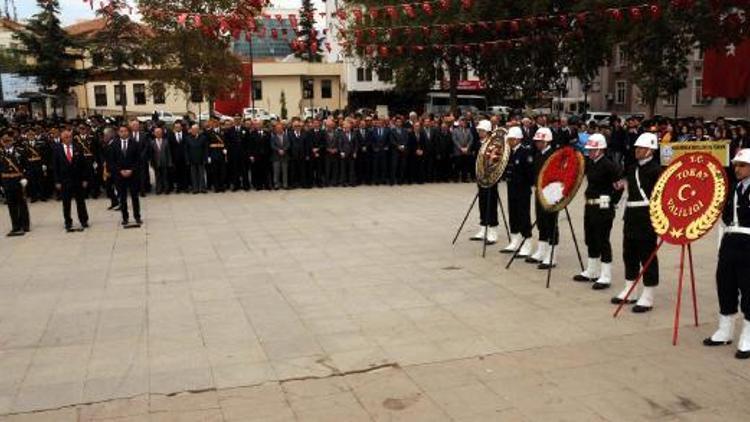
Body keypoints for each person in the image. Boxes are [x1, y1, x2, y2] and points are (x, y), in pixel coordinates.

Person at [703, 149, 750, 359]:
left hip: (748, 244)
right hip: (730, 242)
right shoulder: (732, 188)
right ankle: (725, 330)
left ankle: (748, 336)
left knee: (748, 289)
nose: (737, 169)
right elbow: (724, 217)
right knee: (725, 285)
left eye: (742, 165)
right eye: (736, 165)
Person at [611, 132, 661, 312]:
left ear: (650, 150)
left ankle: (648, 294)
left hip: (647, 217)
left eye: (641, 148)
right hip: (631, 215)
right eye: (637, 148)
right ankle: (630, 289)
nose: (637, 151)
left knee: (647, 255)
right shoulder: (632, 168)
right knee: (629, 252)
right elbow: (621, 185)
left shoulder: (656, 170)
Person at [573, 134, 623, 289]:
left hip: (603, 208)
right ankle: (592, 271)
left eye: (593, 149)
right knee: (590, 239)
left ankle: (605, 275)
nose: (590, 152)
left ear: (601, 149)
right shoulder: (591, 163)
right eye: (589, 149)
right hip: (590, 206)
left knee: (602, 240)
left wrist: (610, 203)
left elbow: (619, 187)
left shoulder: (609, 165)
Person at [526, 127, 558, 269]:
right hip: (539, 192)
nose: (537, 143)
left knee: (551, 223)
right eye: (537, 141)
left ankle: (552, 254)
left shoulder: (554, 155)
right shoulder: (538, 154)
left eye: (540, 141)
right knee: (541, 222)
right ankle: (541, 250)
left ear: (547, 141)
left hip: (551, 195)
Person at [500, 126, 534, 256]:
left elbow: (530, 175)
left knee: (523, 216)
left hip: (522, 190)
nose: (508, 141)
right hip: (511, 188)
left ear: (518, 139)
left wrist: (524, 184)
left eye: (511, 139)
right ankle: (515, 240)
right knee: (513, 214)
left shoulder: (525, 153)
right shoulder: (509, 152)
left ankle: (527, 243)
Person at [469, 120, 500, 244]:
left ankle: (493, 230)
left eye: (481, 130)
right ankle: (483, 227)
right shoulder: (478, 143)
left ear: (487, 131)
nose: (479, 132)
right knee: (482, 202)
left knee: (491, 203)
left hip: (491, 178)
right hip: (480, 177)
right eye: (479, 130)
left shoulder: (493, 144)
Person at [53, 129, 90, 231]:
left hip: (77, 180)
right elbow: (55, 167)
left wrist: (85, 179)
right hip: (64, 181)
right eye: (66, 137)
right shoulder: (57, 149)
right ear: (61, 138)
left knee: (80, 202)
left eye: (69, 137)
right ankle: (68, 222)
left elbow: (84, 165)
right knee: (66, 203)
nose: (68, 139)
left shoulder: (78, 147)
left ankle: (84, 220)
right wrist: (57, 181)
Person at [111, 125, 142, 226]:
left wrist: (131, 170)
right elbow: (112, 161)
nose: (123, 133)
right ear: (118, 133)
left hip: (133, 175)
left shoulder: (135, 144)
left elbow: (138, 160)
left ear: (128, 132)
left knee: (134, 197)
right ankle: (125, 217)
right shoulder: (114, 144)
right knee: (122, 198)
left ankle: (137, 216)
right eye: (121, 131)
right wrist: (120, 171)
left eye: (125, 131)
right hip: (120, 175)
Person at [1, 133, 30, 236]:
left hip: (18, 181)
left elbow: (26, 166)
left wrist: (25, 178)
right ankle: (15, 225)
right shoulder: (1, 154)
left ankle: (25, 224)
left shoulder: (20, 152)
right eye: (4, 141)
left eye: (8, 141)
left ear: (12, 141)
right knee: (11, 205)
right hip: (7, 182)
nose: (6, 143)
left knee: (22, 203)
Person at [185, 124, 208, 194]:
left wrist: (205, 158)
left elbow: (205, 149)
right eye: (193, 130)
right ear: (191, 130)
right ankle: (195, 188)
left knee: (201, 174)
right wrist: (187, 159)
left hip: (201, 159)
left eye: (196, 129)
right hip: (192, 159)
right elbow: (186, 150)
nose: (194, 131)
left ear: (198, 130)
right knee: (193, 175)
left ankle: (202, 188)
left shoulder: (203, 138)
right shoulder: (188, 138)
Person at [150, 127, 172, 195]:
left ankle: (166, 189)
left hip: (165, 162)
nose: (158, 133)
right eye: (156, 132)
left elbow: (169, 153)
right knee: (157, 176)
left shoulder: (166, 141)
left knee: (165, 176)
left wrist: (169, 162)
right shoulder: (152, 142)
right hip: (156, 162)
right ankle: (159, 189)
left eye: (159, 132)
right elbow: (151, 154)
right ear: (154, 134)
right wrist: (151, 163)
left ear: (162, 133)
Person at [168, 121, 189, 193]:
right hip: (175, 158)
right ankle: (178, 188)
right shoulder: (171, 135)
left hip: (185, 157)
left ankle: (185, 187)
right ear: (174, 127)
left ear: (181, 127)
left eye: (179, 127)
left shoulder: (186, 135)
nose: (177, 128)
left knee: (185, 173)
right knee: (177, 173)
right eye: (176, 127)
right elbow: (170, 148)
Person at [271, 122, 290, 189]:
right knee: (276, 172)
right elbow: (272, 145)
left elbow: (288, 144)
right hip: (276, 157)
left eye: (280, 128)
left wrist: (284, 150)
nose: (279, 129)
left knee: (285, 172)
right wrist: (278, 150)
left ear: (282, 128)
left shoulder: (286, 136)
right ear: (275, 129)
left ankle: (285, 184)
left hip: (285, 156)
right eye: (277, 128)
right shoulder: (273, 137)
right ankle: (276, 184)